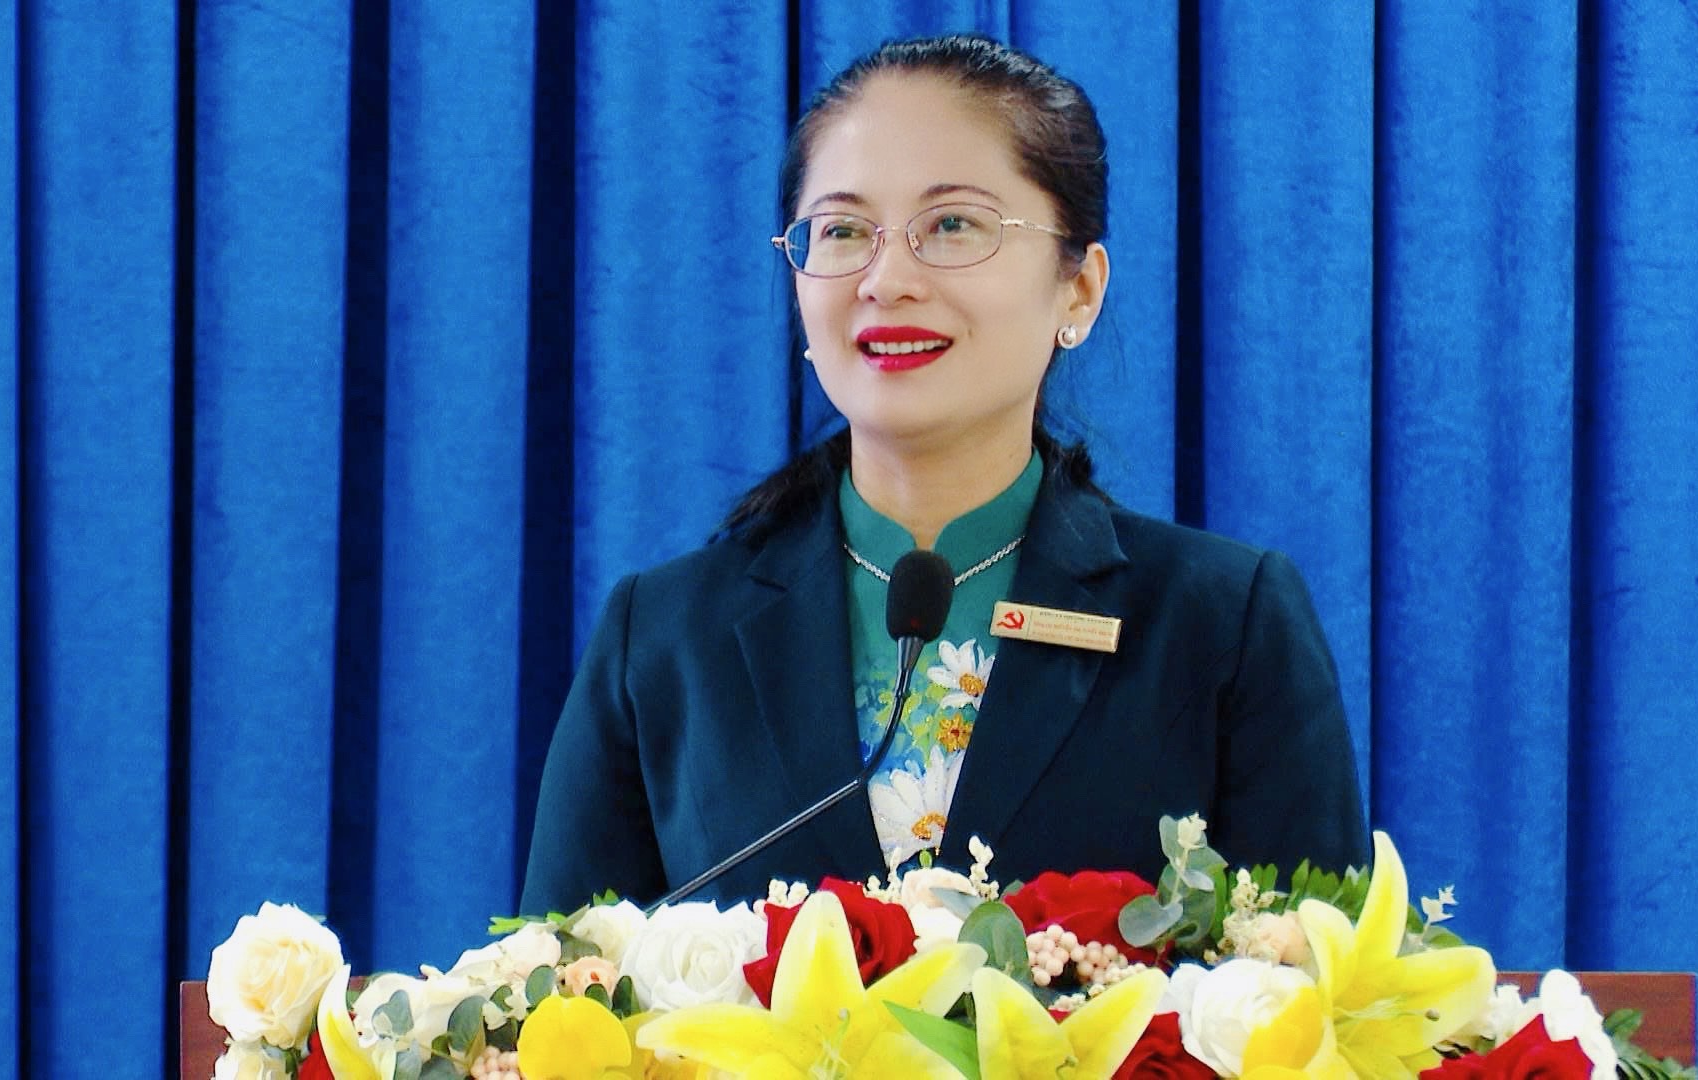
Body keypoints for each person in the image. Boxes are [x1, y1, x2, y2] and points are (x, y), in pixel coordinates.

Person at [520, 34, 1368, 914]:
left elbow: (1318, 981)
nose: (886, 280)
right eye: (843, 231)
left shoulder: (1223, 626)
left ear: (1079, 288)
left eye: (952, 225)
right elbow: (556, 981)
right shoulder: (663, 640)